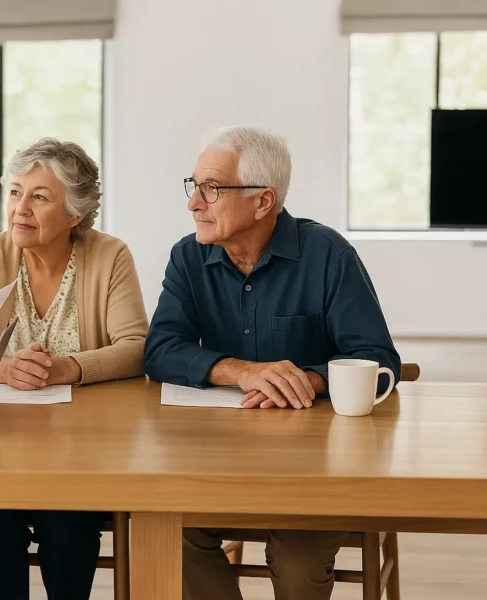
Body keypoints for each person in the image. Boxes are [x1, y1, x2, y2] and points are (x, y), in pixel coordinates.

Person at [144, 126, 401, 600]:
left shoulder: (328, 255)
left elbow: (378, 358)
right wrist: (239, 370)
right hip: (216, 459)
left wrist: (309, 378)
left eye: (212, 189)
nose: (193, 203)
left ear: (263, 202)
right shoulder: (187, 257)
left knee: (298, 565)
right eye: (194, 186)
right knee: (164, 533)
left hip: (316, 467)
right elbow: (160, 349)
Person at [0, 138, 147, 600]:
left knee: (70, 516)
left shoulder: (109, 256)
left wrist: (68, 368)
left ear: (75, 214)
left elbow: (137, 348)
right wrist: (1, 368)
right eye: (15, 192)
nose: (20, 209)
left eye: (39, 197)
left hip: (83, 450)